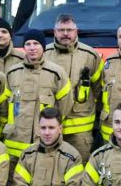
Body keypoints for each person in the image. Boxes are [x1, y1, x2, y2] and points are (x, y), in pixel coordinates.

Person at [3, 30, 72, 162]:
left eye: (36, 43)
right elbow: (6, 105)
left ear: (43, 47)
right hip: (14, 141)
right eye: (28, 44)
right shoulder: (12, 72)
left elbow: (65, 105)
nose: (32, 47)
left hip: (43, 140)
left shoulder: (56, 73)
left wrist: (50, 126)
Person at [44, 14, 104, 161]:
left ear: (76, 31)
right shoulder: (44, 54)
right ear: (54, 32)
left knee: (79, 169)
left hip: (80, 130)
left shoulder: (91, 55)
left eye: (69, 30)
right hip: (50, 126)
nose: (65, 33)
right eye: (61, 30)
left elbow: (99, 89)